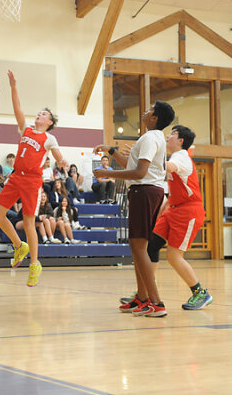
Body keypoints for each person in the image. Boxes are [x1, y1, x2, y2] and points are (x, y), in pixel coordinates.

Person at [0, 69, 68, 287]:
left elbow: (58, 156)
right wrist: (13, 86)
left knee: (28, 222)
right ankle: (19, 245)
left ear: (50, 121)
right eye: (39, 113)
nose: (39, 115)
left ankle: (34, 264)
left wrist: (62, 161)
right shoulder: (26, 129)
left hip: (32, 181)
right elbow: (18, 109)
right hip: (16, 177)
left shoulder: (49, 138)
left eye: (43, 114)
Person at [95, 101, 174, 317]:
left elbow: (139, 173)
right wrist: (111, 151)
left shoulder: (150, 138)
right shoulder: (153, 137)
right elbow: (132, 166)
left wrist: (107, 174)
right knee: (137, 247)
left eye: (150, 110)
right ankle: (142, 297)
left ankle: (156, 302)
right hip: (147, 191)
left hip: (144, 191)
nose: (145, 111)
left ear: (155, 118)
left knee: (139, 248)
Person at [149, 125, 212, 311]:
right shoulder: (176, 156)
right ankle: (146, 291)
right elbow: (173, 193)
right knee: (151, 245)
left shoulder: (181, 156)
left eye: (172, 134)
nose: (168, 136)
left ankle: (200, 293)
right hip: (174, 209)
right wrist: (163, 211)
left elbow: (168, 166)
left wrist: (147, 156)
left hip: (188, 212)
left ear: (181, 141)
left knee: (173, 256)